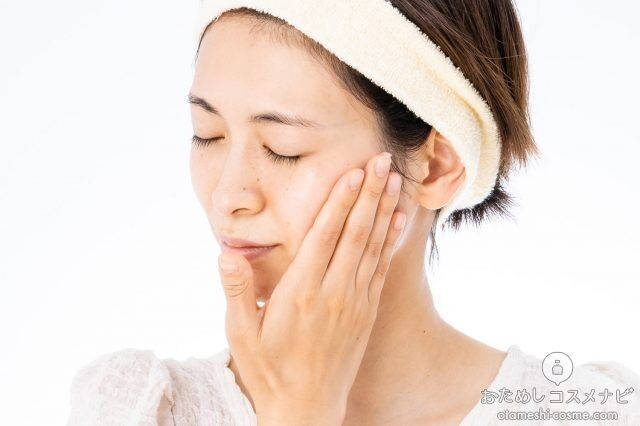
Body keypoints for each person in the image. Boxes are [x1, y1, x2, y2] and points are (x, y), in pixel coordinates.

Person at [67, 1, 640, 425]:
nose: (228, 195)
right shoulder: (141, 408)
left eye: (283, 148)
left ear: (435, 167)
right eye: (207, 135)